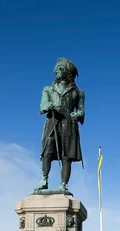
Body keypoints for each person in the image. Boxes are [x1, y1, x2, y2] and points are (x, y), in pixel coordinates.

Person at [34, 58, 85, 192]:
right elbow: (42, 106)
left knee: (66, 155)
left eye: (60, 68)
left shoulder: (78, 92)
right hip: (52, 121)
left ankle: (63, 184)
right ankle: (44, 179)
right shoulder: (48, 89)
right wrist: (47, 106)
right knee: (47, 150)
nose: (56, 71)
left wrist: (78, 114)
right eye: (56, 69)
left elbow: (81, 110)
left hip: (69, 124)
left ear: (67, 71)